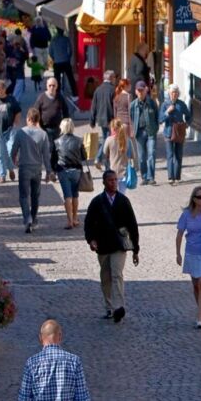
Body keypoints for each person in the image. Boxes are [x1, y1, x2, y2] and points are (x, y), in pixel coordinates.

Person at [83, 170, 140, 322]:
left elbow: (132, 225)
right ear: (104, 182)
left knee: (117, 274)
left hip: (119, 245)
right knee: (106, 277)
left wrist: (135, 249)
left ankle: (118, 307)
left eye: (115, 180)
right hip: (102, 245)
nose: (114, 183)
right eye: (110, 180)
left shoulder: (123, 201)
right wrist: (91, 240)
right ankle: (109, 307)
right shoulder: (97, 202)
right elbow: (88, 223)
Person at [176, 186, 201, 328]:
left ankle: (200, 318)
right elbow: (180, 234)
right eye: (199, 197)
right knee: (195, 285)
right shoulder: (186, 214)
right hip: (191, 252)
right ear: (194, 199)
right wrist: (178, 253)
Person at [12, 107, 51, 233]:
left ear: (28, 119)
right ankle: (33, 219)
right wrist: (48, 171)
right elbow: (46, 155)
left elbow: (13, 150)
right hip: (37, 169)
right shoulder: (43, 134)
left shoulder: (20, 132)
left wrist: (14, 160)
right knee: (35, 196)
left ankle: (27, 218)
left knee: (23, 196)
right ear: (38, 119)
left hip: (24, 167)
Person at [55, 119, 86, 230]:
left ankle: (69, 221)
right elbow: (84, 157)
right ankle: (75, 217)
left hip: (63, 170)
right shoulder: (79, 140)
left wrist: (52, 172)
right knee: (75, 195)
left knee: (67, 196)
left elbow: (54, 158)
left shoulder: (57, 141)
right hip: (76, 170)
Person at [34, 77, 67, 180]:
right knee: (48, 150)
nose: (52, 87)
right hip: (45, 129)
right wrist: (38, 126)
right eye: (50, 85)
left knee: (56, 151)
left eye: (54, 85)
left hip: (57, 129)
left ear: (57, 86)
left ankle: (53, 170)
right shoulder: (42, 98)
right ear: (46, 86)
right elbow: (35, 112)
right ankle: (49, 171)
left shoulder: (60, 97)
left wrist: (65, 125)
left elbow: (66, 111)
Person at [0, 78, 21, 184]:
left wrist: (16, 124)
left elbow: (18, 111)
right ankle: (2, 175)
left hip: (10, 130)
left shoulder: (11, 100)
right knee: (0, 154)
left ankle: (11, 169)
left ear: (4, 89)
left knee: (10, 151)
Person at [129, 81, 160, 186]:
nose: (141, 92)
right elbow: (130, 119)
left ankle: (151, 177)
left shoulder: (152, 103)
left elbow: (157, 116)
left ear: (146, 90)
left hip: (150, 131)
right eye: (139, 90)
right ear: (136, 92)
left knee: (151, 154)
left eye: (142, 90)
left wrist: (156, 128)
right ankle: (144, 177)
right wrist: (132, 130)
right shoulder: (133, 105)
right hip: (139, 133)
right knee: (142, 157)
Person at [162, 85, 192, 185]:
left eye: (175, 92)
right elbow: (160, 119)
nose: (174, 94)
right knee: (170, 155)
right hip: (168, 132)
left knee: (178, 155)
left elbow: (188, 115)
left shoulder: (181, 104)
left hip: (179, 132)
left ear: (178, 94)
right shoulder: (165, 104)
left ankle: (177, 177)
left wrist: (187, 124)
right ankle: (171, 177)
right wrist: (167, 112)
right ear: (169, 94)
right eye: (172, 92)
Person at [101, 118, 138, 191]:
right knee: (121, 196)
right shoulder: (128, 140)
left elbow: (104, 152)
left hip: (113, 172)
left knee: (113, 196)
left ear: (113, 128)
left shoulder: (109, 140)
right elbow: (133, 156)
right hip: (124, 173)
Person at [89, 71, 116, 166]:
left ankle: (104, 161)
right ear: (111, 78)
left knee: (106, 138)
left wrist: (92, 121)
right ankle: (99, 157)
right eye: (114, 77)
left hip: (101, 119)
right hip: (111, 119)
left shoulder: (98, 89)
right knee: (107, 139)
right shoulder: (113, 90)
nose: (115, 79)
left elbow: (93, 106)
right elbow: (115, 106)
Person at [50, 28, 77, 97]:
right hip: (65, 61)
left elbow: (50, 52)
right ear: (63, 31)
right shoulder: (66, 39)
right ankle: (75, 93)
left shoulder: (53, 40)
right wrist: (68, 57)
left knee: (57, 79)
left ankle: (57, 93)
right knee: (70, 78)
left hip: (57, 62)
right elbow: (70, 50)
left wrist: (54, 58)